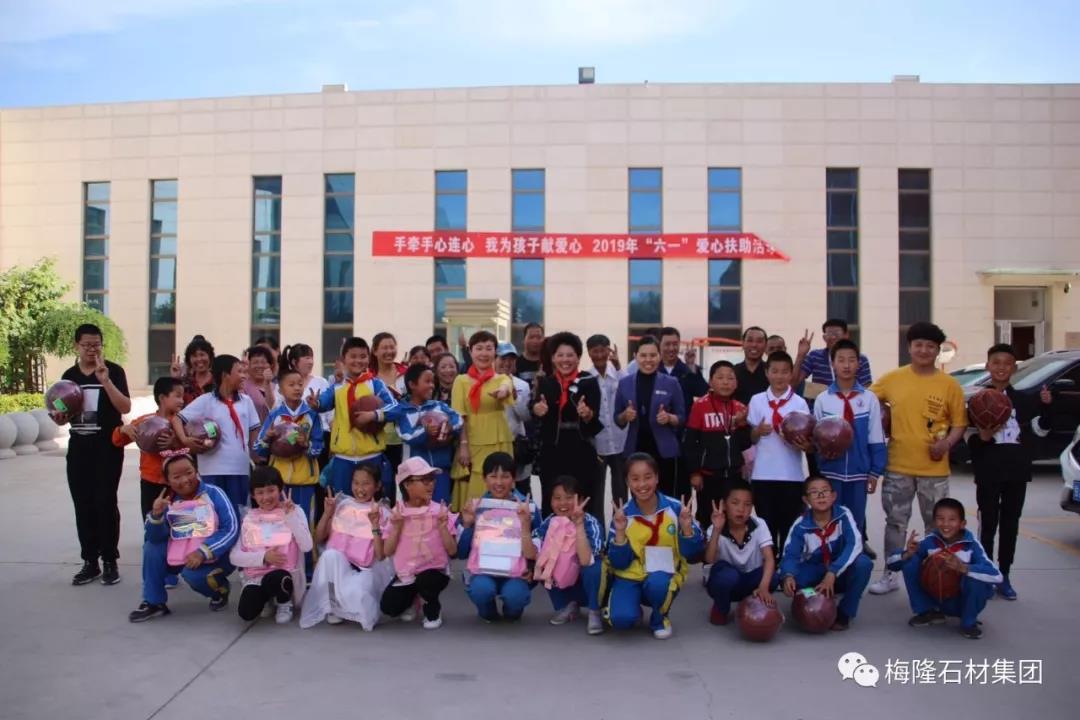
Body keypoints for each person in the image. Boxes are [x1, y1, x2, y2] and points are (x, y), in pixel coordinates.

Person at [868, 322, 967, 595]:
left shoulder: (949, 385)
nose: (924, 350)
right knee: (895, 523)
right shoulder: (891, 379)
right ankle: (890, 574)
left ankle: (935, 574)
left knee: (937, 525)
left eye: (930, 346)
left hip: (935, 470)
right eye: (918, 345)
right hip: (898, 466)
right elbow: (866, 401)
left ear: (937, 350)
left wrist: (946, 443)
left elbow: (960, 424)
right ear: (909, 347)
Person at [967, 343, 1054, 600]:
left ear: (1014, 368)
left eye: (1007, 363)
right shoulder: (977, 401)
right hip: (989, 470)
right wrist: (983, 437)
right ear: (987, 366)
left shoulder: (1026, 400)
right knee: (988, 523)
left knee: (1010, 524)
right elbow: (970, 441)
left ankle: (1004, 575)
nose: (1001, 368)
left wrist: (1047, 407)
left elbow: (1042, 429)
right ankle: (986, 574)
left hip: (1016, 470)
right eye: (996, 362)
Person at [51, 323, 131, 586]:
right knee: (83, 504)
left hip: (107, 448)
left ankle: (109, 560)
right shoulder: (69, 376)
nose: (91, 349)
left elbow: (125, 407)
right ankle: (90, 561)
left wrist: (105, 380)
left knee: (105, 502)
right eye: (86, 345)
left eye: (96, 345)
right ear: (76, 346)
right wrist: (59, 417)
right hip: (79, 449)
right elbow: (61, 412)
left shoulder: (113, 371)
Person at [601, 453, 703, 639]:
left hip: (663, 573)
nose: (642, 484)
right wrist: (621, 533)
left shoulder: (676, 509)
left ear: (657, 478)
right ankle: (632, 607)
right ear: (627, 482)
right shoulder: (622, 515)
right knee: (620, 620)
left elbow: (692, 553)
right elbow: (619, 563)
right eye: (635, 479)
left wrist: (687, 529)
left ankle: (659, 617)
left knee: (658, 583)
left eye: (647, 477)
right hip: (630, 575)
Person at [128, 451, 238, 622]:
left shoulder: (214, 494)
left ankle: (220, 590)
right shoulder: (168, 501)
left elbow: (231, 528)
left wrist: (203, 552)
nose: (185, 480)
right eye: (176, 477)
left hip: (214, 556)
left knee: (193, 575)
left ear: (197, 471)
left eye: (189, 473)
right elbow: (155, 538)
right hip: (180, 554)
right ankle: (154, 602)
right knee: (151, 547)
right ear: (167, 480)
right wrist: (156, 515)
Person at [811, 339, 887, 559]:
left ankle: (854, 564)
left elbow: (876, 436)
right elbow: (817, 439)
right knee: (829, 522)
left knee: (855, 522)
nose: (846, 365)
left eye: (851, 360)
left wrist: (875, 472)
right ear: (832, 364)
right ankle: (830, 566)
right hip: (830, 473)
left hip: (858, 473)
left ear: (858, 364)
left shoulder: (869, 399)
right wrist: (821, 463)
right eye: (841, 360)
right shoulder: (823, 399)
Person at [887, 498, 1002, 639]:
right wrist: (907, 554)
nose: (946, 524)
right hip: (939, 600)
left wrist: (964, 568)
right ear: (934, 522)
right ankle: (928, 611)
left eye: (952, 519)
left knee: (976, 577)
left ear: (962, 524)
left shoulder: (972, 545)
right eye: (940, 519)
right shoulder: (929, 541)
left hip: (961, 602)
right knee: (911, 561)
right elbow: (891, 563)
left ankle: (969, 622)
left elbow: (997, 575)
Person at [301, 463, 395, 630]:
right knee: (329, 556)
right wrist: (327, 513)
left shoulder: (383, 513)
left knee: (358, 595)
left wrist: (375, 525)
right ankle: (333, 605)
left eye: (366, 483)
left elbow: (381, 555)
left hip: (365, 572)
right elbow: (319, 538)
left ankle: (352, 604)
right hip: (341, 570)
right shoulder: (343, 506)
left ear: (377, 486)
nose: (360, 489)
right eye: (356, 483)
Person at [254, 364, 324, 579]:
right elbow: (259, 449)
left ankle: (308, 572)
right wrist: (268, 439)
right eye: (291, 384)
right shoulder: (275, 415)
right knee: (280, 526)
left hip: (305, 481)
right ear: (281, 389)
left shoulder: (311, 415)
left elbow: (319, 446)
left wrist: (306, 445)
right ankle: (283, 568)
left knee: (305, 525)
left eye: (300, 384)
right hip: (280, 483)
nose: (297, 388)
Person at [307, 337, 398, 497]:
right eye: (353, 356)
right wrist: (316, 403)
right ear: (344, 359)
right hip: (343, 458)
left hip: (371, 457)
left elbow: (395, 408)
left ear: (369, 358)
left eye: (363, 356)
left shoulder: (375, 384)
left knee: (373, 505)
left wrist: (374, 415)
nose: (358, 360)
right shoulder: (337, 387)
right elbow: (323, 403)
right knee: (343, 505)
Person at [779, 477, 873, 631]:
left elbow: (854, 544)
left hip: (839, 570)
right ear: (806, 500)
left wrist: (833, 571)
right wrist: (788, 575)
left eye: (825, 491)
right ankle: (809, 601)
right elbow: (790, 555)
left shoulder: (843, 514)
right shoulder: (800, 524)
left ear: (833, 496)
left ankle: (845, 612)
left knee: (863, 564)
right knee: (791, 578)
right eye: (814, 492)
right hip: (815, 570)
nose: (821, 495)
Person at [457, 452, 542, 622]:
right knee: (481, 590)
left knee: (515, 596)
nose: (499, 483)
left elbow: (540, 546)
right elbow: (462, 552)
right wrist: (467, 524)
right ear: (484, 478)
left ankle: (513, 610)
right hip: (483, 572)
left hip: (517, 573)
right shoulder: (475, 507)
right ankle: (487, 611)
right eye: (493, 476)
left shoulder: (529, 508)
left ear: (514, 478)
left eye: (505, 476)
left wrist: (532, 569)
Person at [380, 457, 461, 630]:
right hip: (407, 574)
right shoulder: (396, 514)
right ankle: (413, 599)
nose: (430, 484)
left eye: (432, 479)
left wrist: (442, 527)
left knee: (427, 580)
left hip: (434, 571)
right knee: (389, 607)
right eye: (424, 480)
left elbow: (453, 551)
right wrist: (397, 527)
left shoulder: (440, 511)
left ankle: (432, 608)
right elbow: (387, 551)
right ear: (407, 484)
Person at [176, 354, 261, 513]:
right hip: (211, 469)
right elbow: (177, 419)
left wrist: (258, 457)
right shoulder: (206, 400)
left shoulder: (246, 401)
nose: (244, 376)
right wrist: (185, 440)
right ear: (225, 375)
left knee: (239, 512)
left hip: (239, 469)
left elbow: (254, 432)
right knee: (213, 513)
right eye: (239, 371)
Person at [532, 332, 603, 516]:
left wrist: (587, 415)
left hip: (582, 451)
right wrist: (537, 410)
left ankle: (584, 533)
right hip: (552, 452)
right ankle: (551, 533)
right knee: (552, 500)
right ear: (553, 358)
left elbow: (595, 420)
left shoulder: (589, 381)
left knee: (582, 501)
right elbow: (535, 414)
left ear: (578, 357)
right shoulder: (545, 383)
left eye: (570, 355)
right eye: (560, 355)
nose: (565, 360)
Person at [230, 466, 313, 623]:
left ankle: (284, 602)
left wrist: (291, 517)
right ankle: (267, 600)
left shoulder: (295, 511)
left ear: (280, 489)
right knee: (246, 612)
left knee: (277, 578)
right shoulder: (249, 517)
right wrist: (263, 557)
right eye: (260, 492)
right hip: (256, 575)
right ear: (253, 495)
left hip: (285, 574)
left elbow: (307, 546)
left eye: (271, 490)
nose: (266, 497)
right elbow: (234, 557)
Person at [747, 350, 811, 552]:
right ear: (767, 373)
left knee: (789, 527)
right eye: (774, 371)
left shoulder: (799, 403)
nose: (779, 376)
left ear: (791, 374)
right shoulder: (757, 400)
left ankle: (786, 565)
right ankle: (769, 565)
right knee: (767, 526)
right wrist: (758, 431)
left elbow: (808, 440)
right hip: (763, 474)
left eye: (784, 372)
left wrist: (801, 443)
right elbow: (751, 438)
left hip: (791, 475)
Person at [523, 476, 605, 634]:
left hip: (586, 581)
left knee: (594, 568)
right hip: (566, 577)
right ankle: (567, 605)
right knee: (542, 562)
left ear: (581, 500)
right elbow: (531, 553)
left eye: (569, 498)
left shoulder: (591, 522)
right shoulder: (550, 522)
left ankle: (594, 610)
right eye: (557, 498)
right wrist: (524, 524)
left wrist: (578, 525)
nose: (563, 503)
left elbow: (586, 560)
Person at [450, 331, 515, 510]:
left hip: (499, 438)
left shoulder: (502, 378)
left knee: (500, 479)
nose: (484, 353)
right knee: (474, 484)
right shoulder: (461, 381)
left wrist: (503, 391)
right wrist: (463, 445)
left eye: (488, 348)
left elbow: (507, 386)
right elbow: (459, 416)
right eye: (479, 348)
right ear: (470, 352)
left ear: (495, 352)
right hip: (471, 440)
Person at [613, 336, 686, 497]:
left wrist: (669, 418)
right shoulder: (624, 383)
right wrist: (625, 415)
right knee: (639, 496)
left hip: (664, 451)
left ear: (659, 356)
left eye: (653, 355)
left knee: (665, 498)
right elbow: (617, 419)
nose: (648, 360)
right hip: (635, 448)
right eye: (643, 355)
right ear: (635, 356)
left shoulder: (671, 383)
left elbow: (681, 418)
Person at [684, 360, 751, 529]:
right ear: (711, 382)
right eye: (720, 377)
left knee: (732, 519)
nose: (726, 382)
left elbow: (745, 444)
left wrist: (741, 424)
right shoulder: (700, 406)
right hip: (708, 476)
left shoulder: (740, 408)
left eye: (730, 378)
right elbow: (690, 442)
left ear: (736, 383)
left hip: (734, 475)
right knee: (707, 517)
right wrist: (694, 472)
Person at [702, 480, 776, 626]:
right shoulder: (715, 528)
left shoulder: (759, 524)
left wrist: (764, 587)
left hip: (750, 579)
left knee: (773, 577)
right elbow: (709, 559)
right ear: (724, 505)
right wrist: (717, 530)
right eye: (735, 503)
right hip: (726, 581)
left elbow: (769, 558)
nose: (741, 509)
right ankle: (721, 608)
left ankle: (751, 603)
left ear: (752, 507)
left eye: (747, 504)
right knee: (727, 575)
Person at [114, 376, 184, 519]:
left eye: (182, 397)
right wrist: (123, 430)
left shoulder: (183, 422)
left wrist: (175, 443)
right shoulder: (145, 422)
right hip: (150, 482)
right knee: (151, 521)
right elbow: (117, 441)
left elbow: (191, 448)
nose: (182, 401)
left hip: (177, 482)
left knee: (178, 523)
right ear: (162, 398)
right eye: (177, 396)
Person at [394, 362, 463, 505]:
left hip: (440, 470)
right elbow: (406, 435)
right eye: (427, 381)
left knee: (441, 508)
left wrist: (450, 427)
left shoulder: (439, 406)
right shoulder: (402, 411)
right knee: (416, 511)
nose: (432, 385)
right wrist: (425, 431)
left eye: (433, 381)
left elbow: (459, 419)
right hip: (415, 476)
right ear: (412, 385)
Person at [586, 334, 627, 516]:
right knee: (597, 491)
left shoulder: (618, 374)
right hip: (598, 444)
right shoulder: (587, 378)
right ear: (589, 353)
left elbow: (629, 391)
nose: (600, 355)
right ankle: (599, 530)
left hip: (620, 441)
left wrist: (618, 367)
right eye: (595, 351)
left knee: (621, 491)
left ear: (609, 351)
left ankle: (621, 528)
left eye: (603, 350)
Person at [281, 343, 332, 470]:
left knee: (316, 472)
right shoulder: (283, 383)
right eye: (307, 358)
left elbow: (330, 414)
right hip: (291, 435)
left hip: (319, 436)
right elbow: (277, 409)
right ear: (294, 362)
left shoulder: (321, 382)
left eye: (311, 358)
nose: (311, 362)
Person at [372, 332, 408, 502]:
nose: (389, 351)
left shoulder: (405, 374)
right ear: (375, 351)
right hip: (378, 439)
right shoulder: (369, 378)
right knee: (383, 486)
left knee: (405, 484)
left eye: (392, 347)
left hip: (404, 439)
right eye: (384, 348)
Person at [495, 342, 534, 496]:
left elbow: (526, 416)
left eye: (511, 359)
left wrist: (515, 398)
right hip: (493, 444)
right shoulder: (486, 383)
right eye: (503, 358)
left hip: (515, 445)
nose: (507, 363)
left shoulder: (522, 385)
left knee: (519, 490)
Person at [794, 319, 873, 389]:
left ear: (846, 335)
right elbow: (794, 382)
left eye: (837, 334)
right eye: (829, 334)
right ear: (824, 337)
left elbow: (865, 389)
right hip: (819, 401)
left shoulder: (860, 359)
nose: (833, 337)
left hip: (850, 400)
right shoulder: (814, 356)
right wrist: (800, 355)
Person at [658, 327, 709, 411]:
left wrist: (691, 365)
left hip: (684, 419)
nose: (671, 348)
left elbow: (703, 392)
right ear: (659, 345)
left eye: (675, 344)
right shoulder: (654, 371)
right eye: (667, 344)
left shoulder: (687, 370)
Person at [733, 326, 769, 405]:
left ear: (766, 345)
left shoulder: (771, 372)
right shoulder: (733, 372)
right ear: (743, 343)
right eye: (750, 340)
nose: (754, 345)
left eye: (759, 341)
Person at [176, 335, 214, 405]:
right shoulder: (184, 383)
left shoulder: (219, 382)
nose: (199, 359)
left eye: (202, 355)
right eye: (194, 356)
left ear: (210, 357)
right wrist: (175, 378)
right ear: (189, 360)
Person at [243, 345, 277, 424]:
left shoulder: (276, 387)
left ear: (270, 365)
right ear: (248, 365)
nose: (260, 366)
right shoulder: (242, 387)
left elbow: (275, 408)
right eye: (255, 362)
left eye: (263, 362)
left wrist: (267, 383)